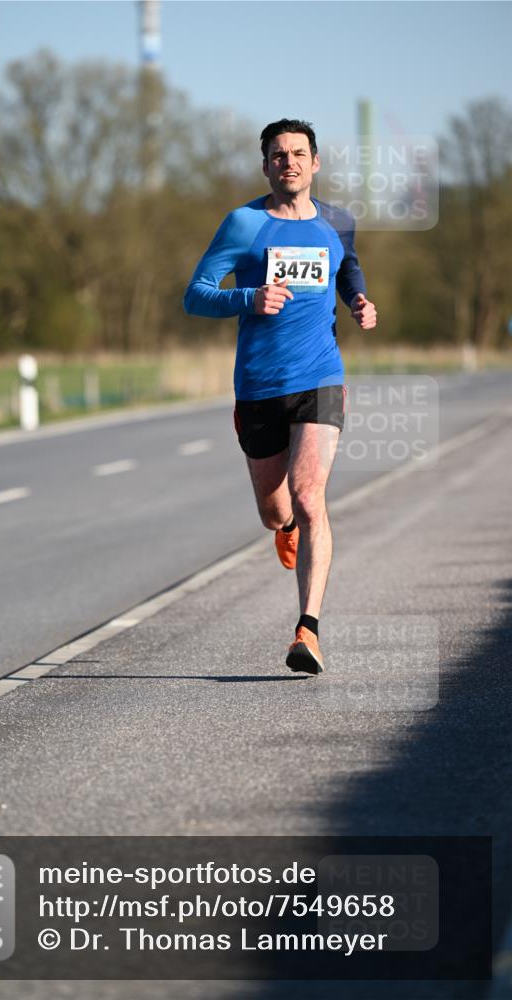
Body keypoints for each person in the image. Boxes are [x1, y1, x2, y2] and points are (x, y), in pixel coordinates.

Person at [183, 119, 377, 675]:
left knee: (309, 493)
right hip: (259, 387)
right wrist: (249, 297)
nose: (288, 162)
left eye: (298, 153)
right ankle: (285, 528)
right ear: (265, 165)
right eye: (277, 155)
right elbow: (195, 296)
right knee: (276, 511)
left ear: (315, 163)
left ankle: (307, 631)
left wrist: (359, 300)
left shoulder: (338, 222)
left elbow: (349, 268)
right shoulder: (244, 224)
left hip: (320, 376)